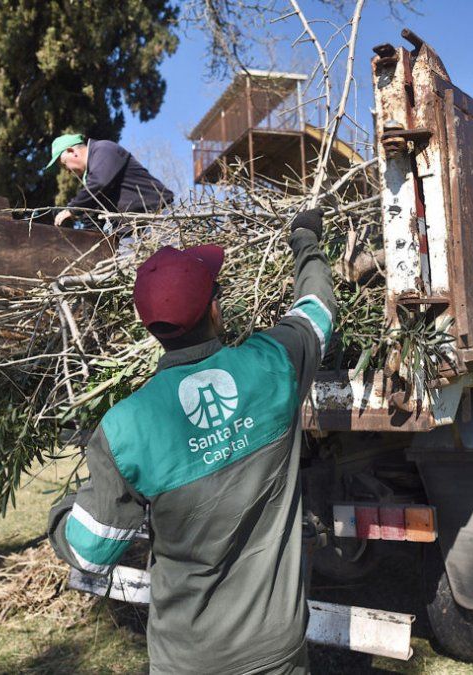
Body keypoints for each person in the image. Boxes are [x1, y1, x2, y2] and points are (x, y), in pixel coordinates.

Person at [47, 209, 334, 674]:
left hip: (190, 659)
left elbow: (88, 552)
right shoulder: (273, 365)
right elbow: (316, 310)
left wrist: (61, 513)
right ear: (215, 309)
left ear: (149, 327)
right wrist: (305, 241)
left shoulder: (127, 427)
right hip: (275, 650)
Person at [44, 133, 174, 229]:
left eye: (64, 165)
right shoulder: (90, 177)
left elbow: (99, 182)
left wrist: (72, 209)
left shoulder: (103, 149)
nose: (66, 171)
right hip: (130, 230)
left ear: (72, 151)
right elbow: (92, 213)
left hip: (157, 218)